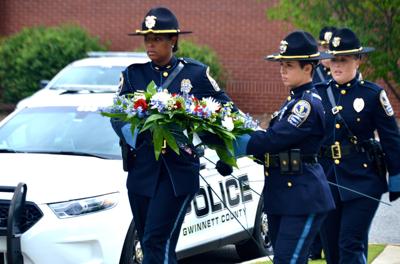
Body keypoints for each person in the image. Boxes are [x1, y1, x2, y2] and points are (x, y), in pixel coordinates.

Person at [110, 7, 235, 264]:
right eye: (147, 39)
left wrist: (223, 150)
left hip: (177, 173)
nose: (150, 44)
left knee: (157, 241)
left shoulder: (195, 74)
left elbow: (226, 110)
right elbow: (117, 116)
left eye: (156, 39)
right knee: (149, 241)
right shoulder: (133, 75)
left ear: (173, 41)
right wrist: (139, 129)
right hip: (142, 172)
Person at [233, 30, 335, 264]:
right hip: (285, 196)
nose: (282, 70)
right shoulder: (292, 102)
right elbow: (275, 149)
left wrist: (237, 143)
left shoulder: (306, 105)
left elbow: (274, 140)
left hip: (302, 197)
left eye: (288, 65)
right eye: (281, 65)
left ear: (307, 68)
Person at [316, 28, 400, 264]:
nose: (337, 65)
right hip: (327, 181)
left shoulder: (373, 94)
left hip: (363, 180)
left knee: (349, 244)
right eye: (333, 59)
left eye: (343, 59)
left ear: (358, 60)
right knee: (332, 250)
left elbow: (392, 139)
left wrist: (396, 182)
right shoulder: (317, 95)